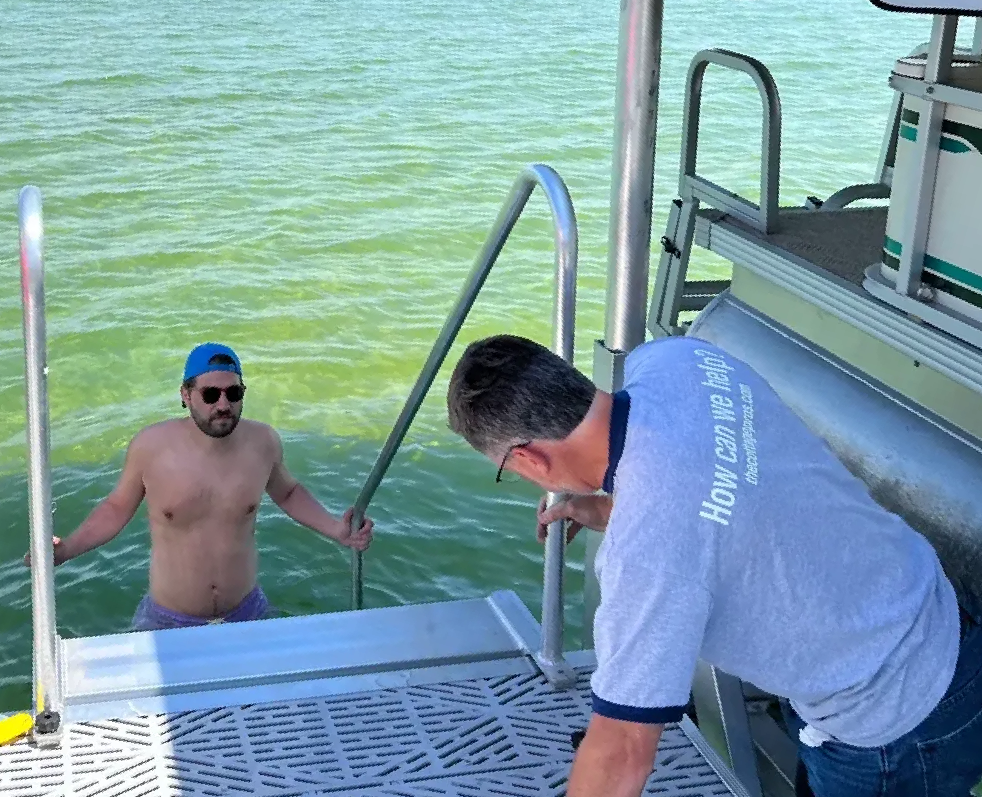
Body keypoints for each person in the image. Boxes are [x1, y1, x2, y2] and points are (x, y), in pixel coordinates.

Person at [446, 333, 982, 797]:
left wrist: (635, 521)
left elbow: (623, 751)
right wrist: (616, 509)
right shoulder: (679, 359)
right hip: (938, 613)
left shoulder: (645, 558)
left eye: (508, 470)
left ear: (528, 458)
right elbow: (720, 490)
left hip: (892, 720)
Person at [28, 343, 373, 630]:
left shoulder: (263, 442)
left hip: (247, 611)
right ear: (186, 395)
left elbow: (288, 492)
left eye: (233, 393)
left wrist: (336, 529)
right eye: (210, 394)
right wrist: (66, 550)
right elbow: (116, 508)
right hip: (167, 619)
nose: (223, 405)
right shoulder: (151, 447)